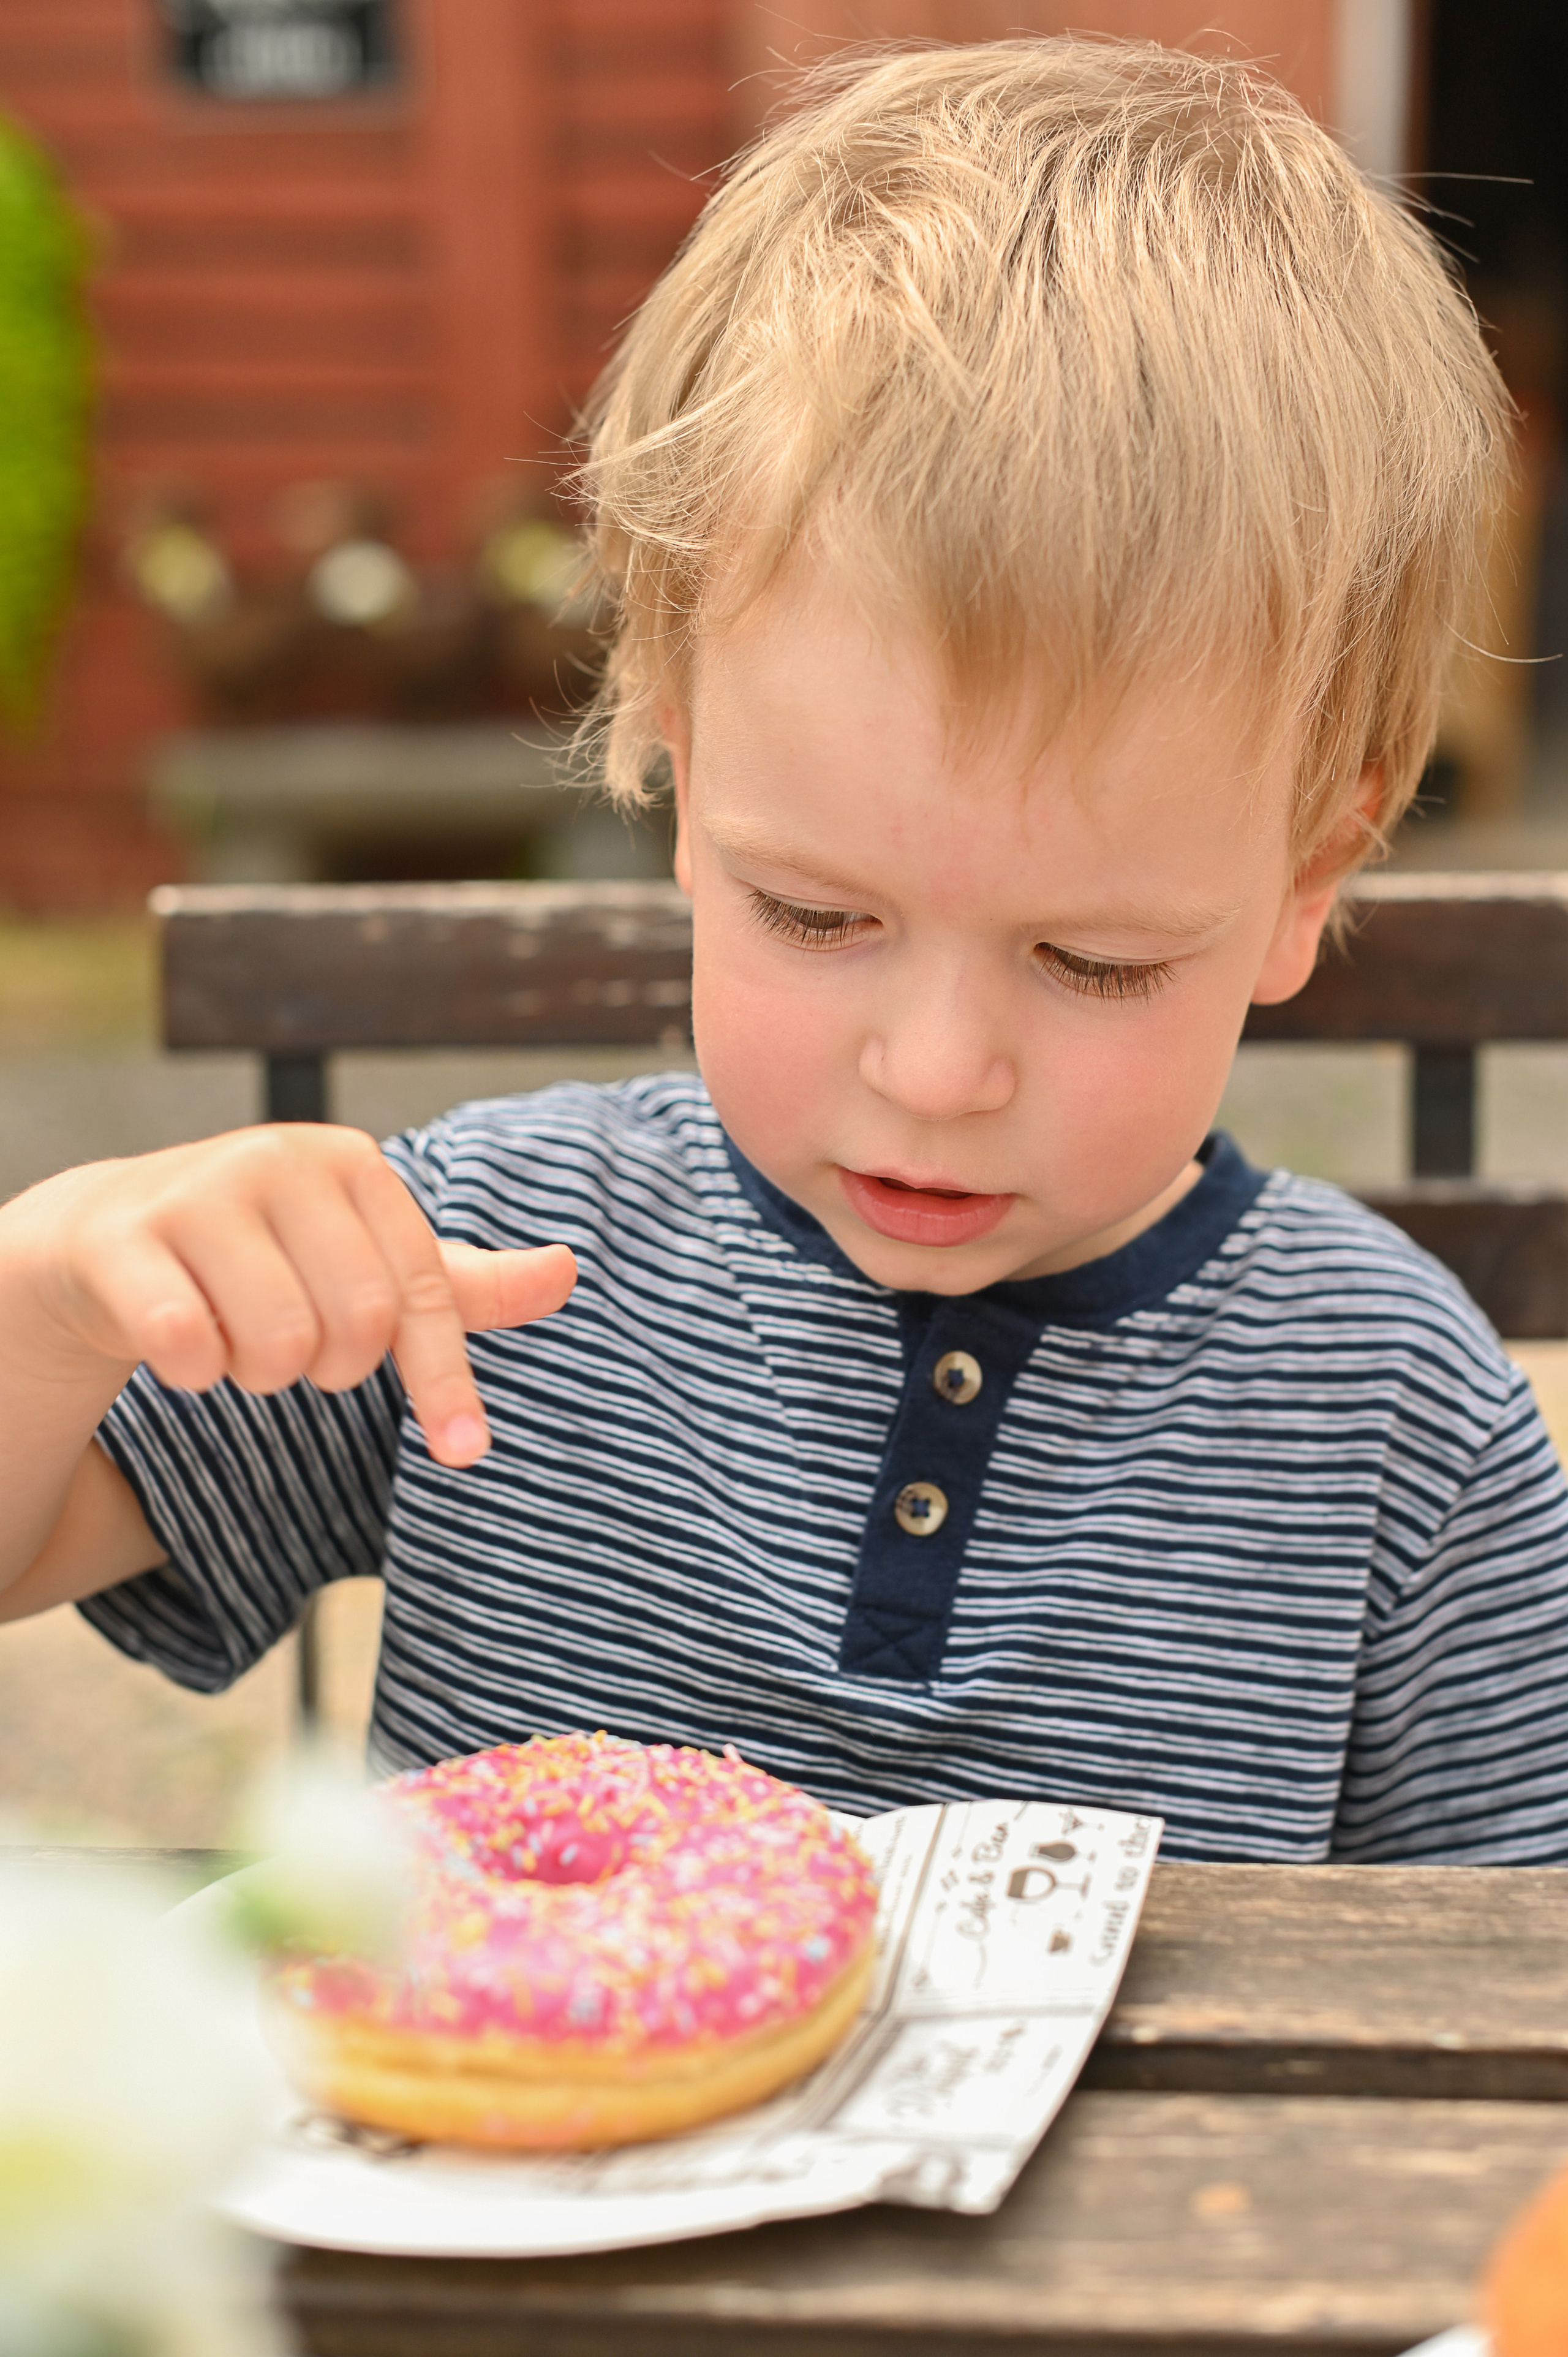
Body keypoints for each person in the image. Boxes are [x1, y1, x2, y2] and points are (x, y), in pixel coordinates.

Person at [2, 39, 1562, 1861]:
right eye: (818, 917)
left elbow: (1505, 2009)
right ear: (672, 756)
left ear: (1317, 868)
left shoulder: (1388, 1413)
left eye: (1094, 962)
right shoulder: (489, 1273)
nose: (935, 1071)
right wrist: (45, 1307)